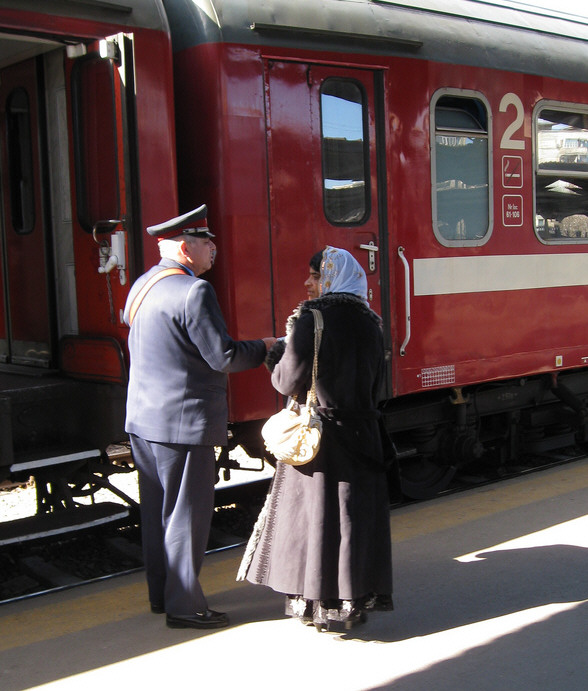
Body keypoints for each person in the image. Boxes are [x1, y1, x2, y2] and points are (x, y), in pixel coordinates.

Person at [124, 204, 275, 629]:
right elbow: (223, 356)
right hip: (183, 423)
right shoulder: (194, 292)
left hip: (143, 420)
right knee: (186, 517)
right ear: (185, 248)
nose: (214, 249)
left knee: (158, 513)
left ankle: (163, 596)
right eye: (207, 242)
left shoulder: (144, 285)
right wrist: (267, 345)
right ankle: (185, 607)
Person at [241, 246, 393, 631]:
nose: (307, 284)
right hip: (365, 433)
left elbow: (288, 380)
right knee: (353, 519)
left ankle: (320, 605)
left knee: (318, 520)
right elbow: (379, 385)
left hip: (322, 439)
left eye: (313, 275)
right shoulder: (371, 320)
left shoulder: (312, 319)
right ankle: (353, 601)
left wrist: (275, 355)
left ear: (328, 278)